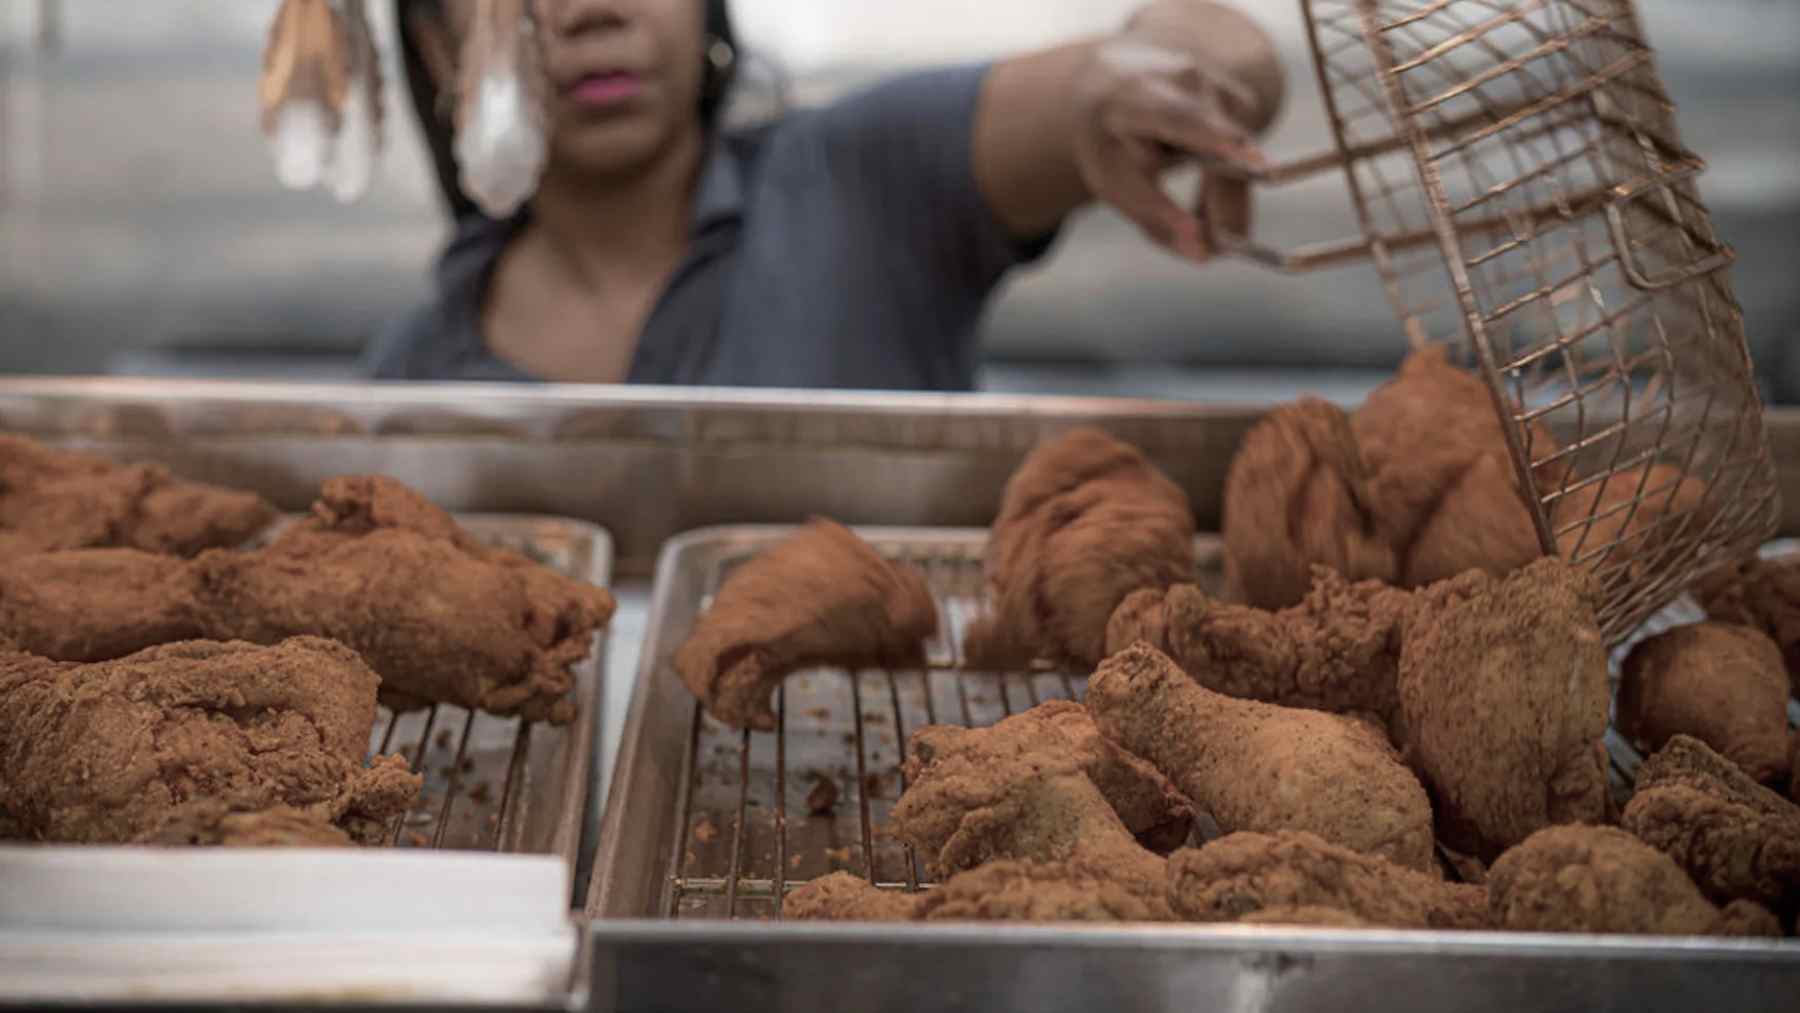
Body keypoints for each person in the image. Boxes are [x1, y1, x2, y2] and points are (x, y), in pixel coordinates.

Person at [367, 0, 1285, 388]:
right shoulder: (409, 379)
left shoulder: (863, 177)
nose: (589, 9)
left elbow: (1228, 45)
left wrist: (1153, 71)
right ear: (444, 51)